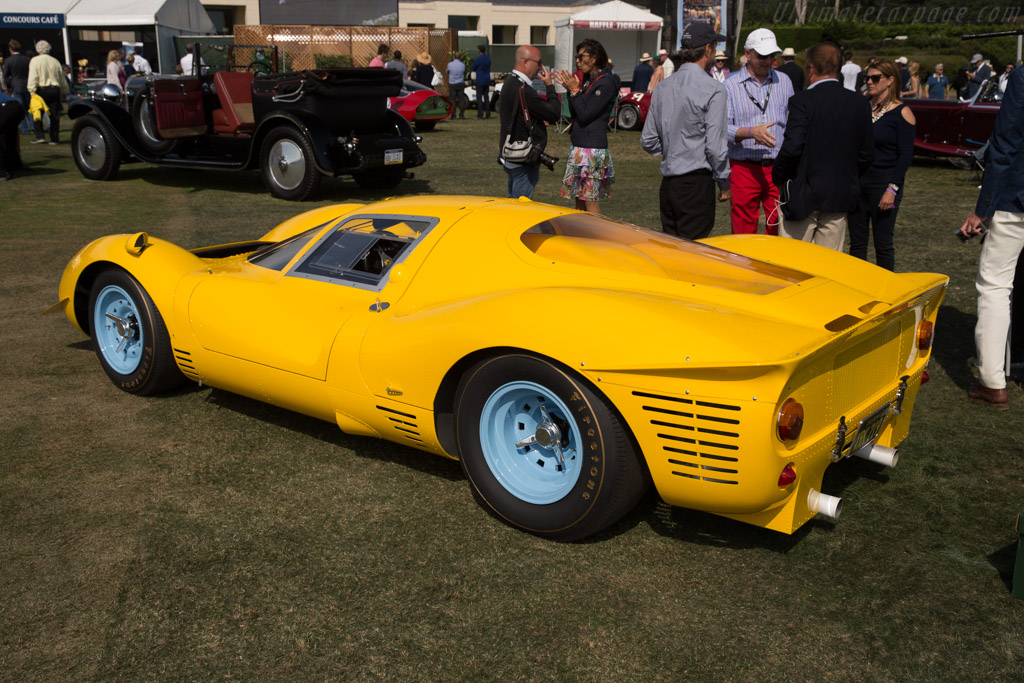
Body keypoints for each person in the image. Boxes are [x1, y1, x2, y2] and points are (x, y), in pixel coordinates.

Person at [957, 65, 1024, 410]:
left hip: (1016, 200)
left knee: (995, 286)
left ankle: (994, 382)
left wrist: (983, 208)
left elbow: (1006, 141)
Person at [772, 42, 874, 251]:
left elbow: (793, 146)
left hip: (803, 193)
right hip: (840, 193)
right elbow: (866, 154)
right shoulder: (859, 103)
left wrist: (779, 176)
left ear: (811, 69)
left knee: (794, 262)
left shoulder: (802, 101)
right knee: (829, 265)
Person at [641, 21, 730, 240]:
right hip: (696, 183)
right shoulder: (714, 88)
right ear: (707, 49)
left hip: (670, 184)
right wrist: (724, 182)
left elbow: (648, 140)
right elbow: (715, 147)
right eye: (714, 48)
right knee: (694, 256)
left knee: (674, 254)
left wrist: (674, 146)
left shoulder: (663, 86)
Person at [847, 59, 915, 271]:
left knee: (883, 244)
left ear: (890, 80)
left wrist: (891, 190)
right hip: (859, 183)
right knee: (857, 244)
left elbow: (905, 156)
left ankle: (886, 295)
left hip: (884, 183)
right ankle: (857, 291)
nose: (869, 81)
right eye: (867, 77)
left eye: (875, 78)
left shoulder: (902, 112)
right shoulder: (865, 108)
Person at [724, 27, 794, 235]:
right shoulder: (730, 85)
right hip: (744, 167)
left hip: (778, 167)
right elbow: (722, 128)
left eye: (772, 55)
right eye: (763, 55)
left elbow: (791, 122)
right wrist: (750, 132)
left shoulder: (784, 82)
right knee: (743, 230)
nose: (768, 60)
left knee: (780, 226)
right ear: (747, 54)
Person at [553, 38, 619, 213]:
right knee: (579, 201)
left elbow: (585, 115)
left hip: (591, 150)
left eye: (581, 57)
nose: (578, 61)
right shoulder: (590, 81)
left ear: (594, 58)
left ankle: (595, 238)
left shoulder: (606, 83)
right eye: (577, 57)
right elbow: (575, 113)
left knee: (590, 201)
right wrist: (571, 90)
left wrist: (575, 91)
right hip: (581, 148)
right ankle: (582, 237)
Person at [497, 45, 559, 199]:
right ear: (525, 62)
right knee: (520, 212)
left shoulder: (509, 83)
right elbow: (554, 113)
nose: (541, 67)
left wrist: (536, 120)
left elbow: (516, 115)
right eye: (538, 63)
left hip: (511, 155)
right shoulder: (523, 89)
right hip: (523, 159)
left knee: (514, 206)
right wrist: (550, 86)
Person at [27, 41, 68, 145]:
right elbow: (62, 78)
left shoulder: (34, 61)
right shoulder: (55, 61)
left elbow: (33, 77)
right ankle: (54, 138)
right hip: (55, 89)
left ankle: (40, 136)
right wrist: (65, 91)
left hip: (41, 90)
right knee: (54, 115)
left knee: (37, 113)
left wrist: (31, 91)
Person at [2, 40, 31, 135]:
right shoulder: (27, 59)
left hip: (16, 85)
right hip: (27, 84)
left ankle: (25, 130)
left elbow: (6, 75)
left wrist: (9, 87)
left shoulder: (9, 60)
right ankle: (34, 127)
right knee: (29, 109)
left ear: (10, 49)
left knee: (20, 109)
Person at [0, 91, 25, 181]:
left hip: (6, 107)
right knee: (9, 137)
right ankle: (14, 166)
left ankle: (2, 173)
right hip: (17, 107)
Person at [470, 45, 492, 119]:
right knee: (486, 98)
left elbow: (473, 67)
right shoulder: (488, 59)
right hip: (487, 80)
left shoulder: (478, 59)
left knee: (479, 98)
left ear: (479, 50)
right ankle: (488, 114)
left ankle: (480, 114)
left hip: (480, 80)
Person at [446, 52, 466, 119]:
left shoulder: (450, 64)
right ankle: (461, 115)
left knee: (452, 99)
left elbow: (447, 72)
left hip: (453, 83)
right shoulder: (463, 64)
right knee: (461, 99)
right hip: (460, 83)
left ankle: (453, 114)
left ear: (454, 57)